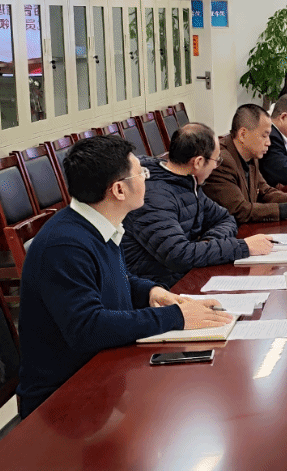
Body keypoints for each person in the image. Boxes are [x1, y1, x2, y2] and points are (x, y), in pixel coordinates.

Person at [16, 136, 233, 418]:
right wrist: (176, 317)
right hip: (64, 400)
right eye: (141, 174)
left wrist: (152, 292)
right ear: (119, 190)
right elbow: (89, 328)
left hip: (104, 374)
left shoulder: (99, 223)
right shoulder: (64, 245)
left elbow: (114, 279)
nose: (147, 179)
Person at [122, 123, 275, 288]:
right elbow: (179, 255)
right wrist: (242, 247)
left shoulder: (187, 182)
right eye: (216, 161)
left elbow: (225, 218)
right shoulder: (154, 197)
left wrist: (208, 244)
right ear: (198, 162)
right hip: (162, 290)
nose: (215, 166)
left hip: (189, 277)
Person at [205, 104, 287, 223]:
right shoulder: (221, 161)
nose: (268, 143)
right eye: (264, 136)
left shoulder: (251, 153)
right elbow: (239, 210)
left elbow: (265, 192)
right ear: (243, 134)